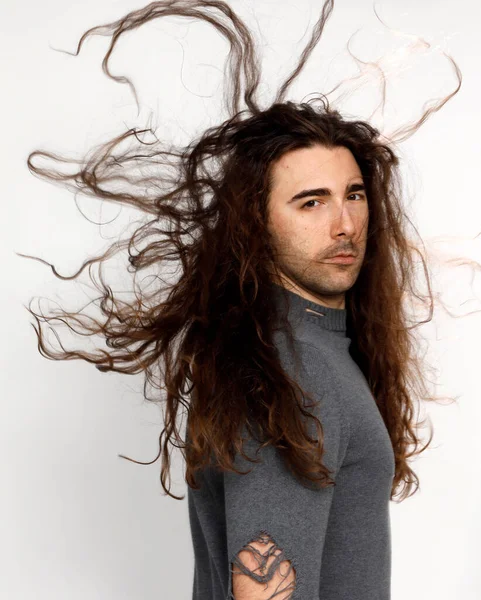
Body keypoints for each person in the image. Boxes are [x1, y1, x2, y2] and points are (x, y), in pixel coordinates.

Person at [20, 1, 465, 599]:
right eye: (310, 202)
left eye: (353, 195)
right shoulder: (292, 368)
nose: (344, 224)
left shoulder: (308, 350)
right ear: (255, 224)